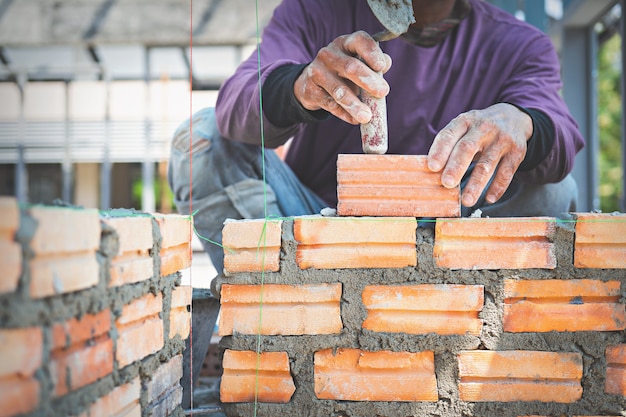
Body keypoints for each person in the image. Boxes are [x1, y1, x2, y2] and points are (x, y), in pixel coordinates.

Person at [168, 0, 585, 406]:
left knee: (552, 191)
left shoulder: (517, 44)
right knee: (202, 139)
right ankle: (291, 327)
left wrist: (521, 121)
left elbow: (560, 132)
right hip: (317, 248)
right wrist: (302, 86)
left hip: (451, 263)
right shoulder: (315, 11)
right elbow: (235, 102)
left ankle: (483, 345)